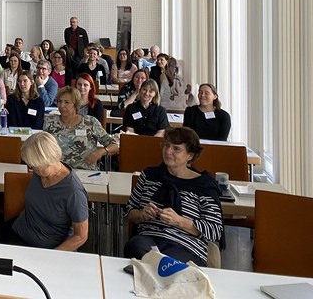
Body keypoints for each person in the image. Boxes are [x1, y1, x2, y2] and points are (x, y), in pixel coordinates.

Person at [124, 127, 223, 266]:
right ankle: (162, 267)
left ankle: (159, 268)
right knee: (135, 246)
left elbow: (215, 230)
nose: (168, 151)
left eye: (176, 149)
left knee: (170, 262)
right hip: (148, 240)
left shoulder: (204, 185)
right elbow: (129, 211)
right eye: (166, 145)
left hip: (186, 245)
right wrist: (142, 215)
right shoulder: (149, 176)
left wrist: (179, 221)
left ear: (190, 155)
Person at [7, 132, 89, 251]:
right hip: (19, 232)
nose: (31, 169)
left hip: (46, 247)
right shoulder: (39, 172)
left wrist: (52, 255)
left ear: (47, 161)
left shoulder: (74, 192)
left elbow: (81, 236)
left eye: (33, 165)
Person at [44, 87, 118, 170]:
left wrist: (100, 152)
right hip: (57, 171)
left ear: (76, 104)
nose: (62, 105)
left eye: (67, 102)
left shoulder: (90, 122)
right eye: (59, 101)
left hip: (86, 172)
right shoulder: (50, 121)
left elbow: (114, 146)